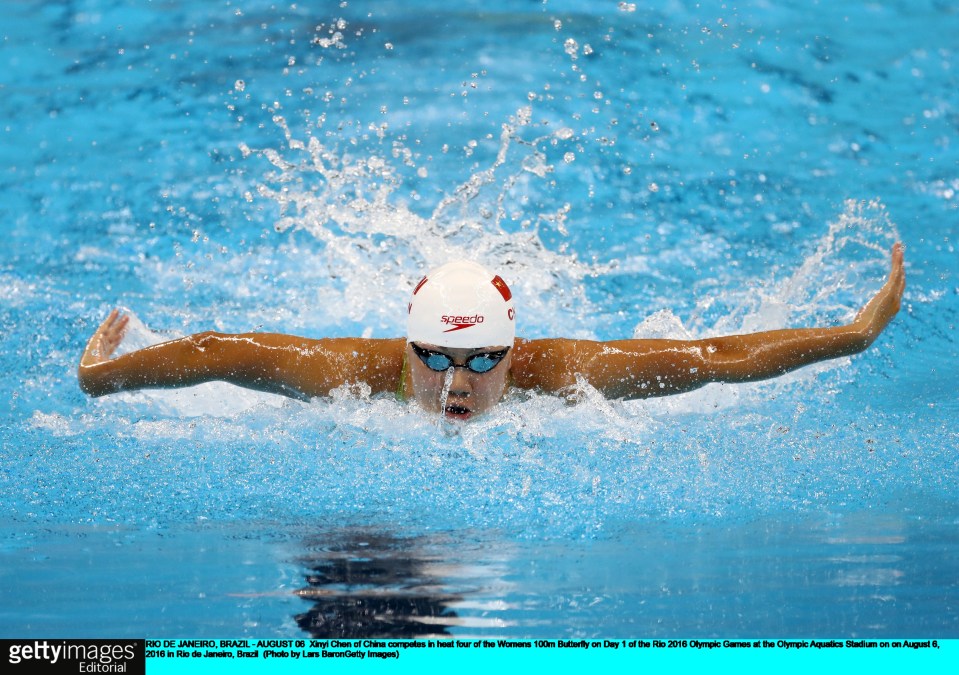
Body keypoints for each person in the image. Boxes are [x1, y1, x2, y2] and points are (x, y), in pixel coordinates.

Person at [79, 243, 905, 421]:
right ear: (404, 346)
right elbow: (216, 351)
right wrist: (98, 376)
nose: (457, 382)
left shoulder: (564, 374)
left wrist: (853, 332)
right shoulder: (346, 373)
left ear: (516, 351)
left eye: (482, 361)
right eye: (433, 358)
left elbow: (713, 359)